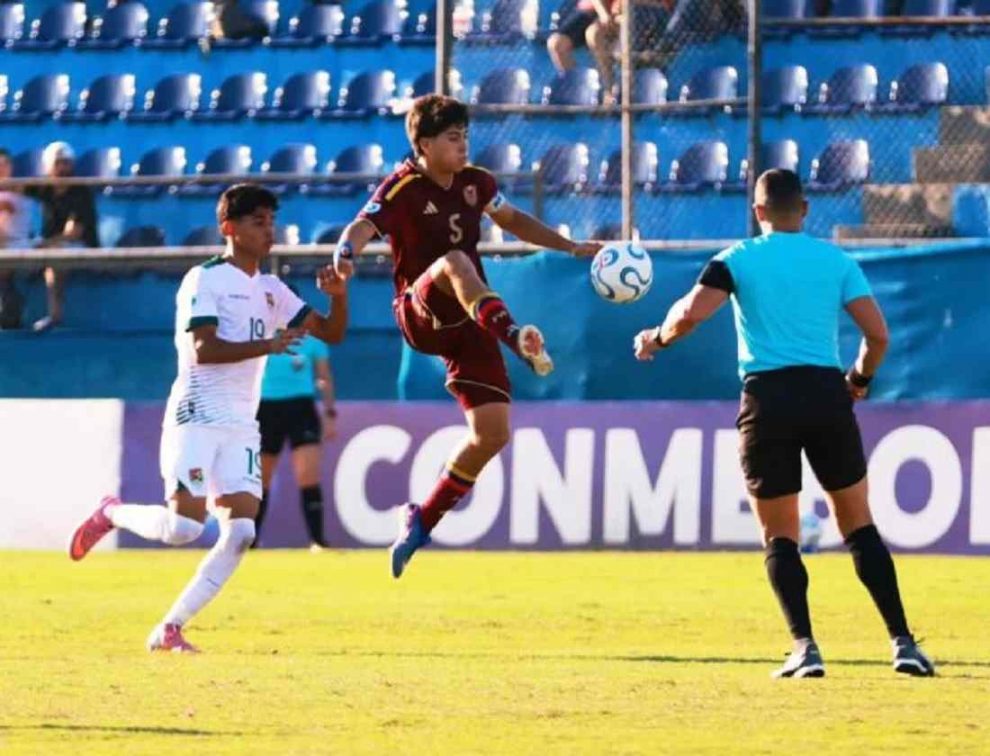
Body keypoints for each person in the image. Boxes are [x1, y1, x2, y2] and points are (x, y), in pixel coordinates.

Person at [632, 169, 934, 679]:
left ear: (758, 212)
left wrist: (655, 339)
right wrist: (858, 380)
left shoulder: (735, 260)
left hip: (767, 399)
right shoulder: (836, 260)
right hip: (825, 395)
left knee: (781, 536)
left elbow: (689, 315)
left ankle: (805, 648)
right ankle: (903, 643)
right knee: (859, 525)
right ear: (806, 210)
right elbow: (878, 335)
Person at [68, 183, 349, 653]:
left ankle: (170, 628)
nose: (268, 230)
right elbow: (204, 349)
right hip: (197, 414)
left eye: (271, 221)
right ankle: (111, 512)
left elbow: (332, 334)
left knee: (241, 531)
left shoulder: (271, 288)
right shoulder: (204, 280)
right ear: (229, 229)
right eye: (257, 221)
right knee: (184, 528)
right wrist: (268, 345)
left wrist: (339, 296)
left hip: (241, 423)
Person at [334, 94, 601, 579]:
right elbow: (361, 225)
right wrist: (345, 253)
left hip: (472, 320)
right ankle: (516, 336)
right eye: (453, 138)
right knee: (455, 261)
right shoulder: (401, 188)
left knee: (492, 433)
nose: (463, 146)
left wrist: (570, 245)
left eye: (465, 137)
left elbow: (513, 220)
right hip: (421, 312)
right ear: (424, 143)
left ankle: (422, 519)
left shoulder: (477, 183)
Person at [255, 324, 337, 551]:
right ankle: (250, 540)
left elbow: (324, 376)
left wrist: (330, 412)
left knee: (308, 475)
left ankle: (318, 541)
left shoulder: (313, 340)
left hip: (301, 408)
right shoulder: (259, 336)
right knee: (261, 477)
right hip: (266, 409)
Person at [25, 141, 99, 333]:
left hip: (82, 245)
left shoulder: (80, 191)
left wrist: (42, 245)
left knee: (54, 262)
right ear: (48, 167)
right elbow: (16, 188)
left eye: (66, 163)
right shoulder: (44, 187)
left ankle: (55, 316)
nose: (63, 168)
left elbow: (73, 234)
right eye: (58, 163)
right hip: (51, 244)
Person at [0, 148, 31, 329]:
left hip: (18, 243)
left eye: (5, 164)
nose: (2, 168)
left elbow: (5, 206)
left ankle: (9, 308)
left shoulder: (18, 190)